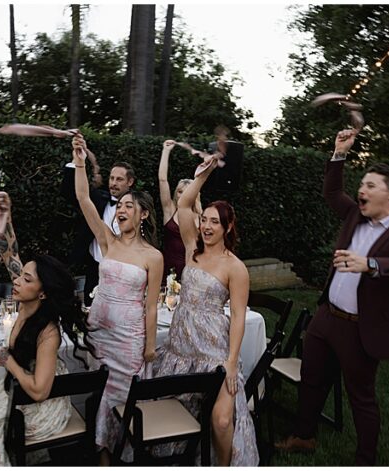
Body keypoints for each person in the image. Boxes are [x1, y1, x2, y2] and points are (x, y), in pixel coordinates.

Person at [275, 130, 389, 465]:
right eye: (362, 184)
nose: (361, 190)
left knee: (360, 397)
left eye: (370, 186)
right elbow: (332, 191)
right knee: (311, 379)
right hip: (327, 317)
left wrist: (370, 264)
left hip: (362, 329)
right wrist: (339, 153)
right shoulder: (355, 215)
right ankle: (304, 436)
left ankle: (365, 459)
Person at [0, 191, 98, 466]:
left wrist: (10, 363)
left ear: (42, 293)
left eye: (25, 278)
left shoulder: (48, 332)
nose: (17, 281)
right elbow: (10, 253)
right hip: (19, 390)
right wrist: (3, 215)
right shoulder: (26, 299)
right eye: (20, 275)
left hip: (43, 408)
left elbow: (40, 391)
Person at [150, 156, 258, 466]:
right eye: (205, 219)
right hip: (182, 347)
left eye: (215, 221)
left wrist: (232, 362)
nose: (207, 226)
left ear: (227, 227)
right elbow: (183, 206)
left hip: (213, 351)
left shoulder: (235, 268)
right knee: (176, 405)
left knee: (222, 421)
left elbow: (237, 316)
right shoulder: (190, 247)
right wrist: (204, 174)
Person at [72, 135, 163, 464]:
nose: (120, 209)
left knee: (123, 398)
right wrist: (80, 161)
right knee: (101, 394)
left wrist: (150, 347)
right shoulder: (107, 242)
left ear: (143, 216)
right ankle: (103, 456)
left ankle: (127, 453)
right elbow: (83, 198)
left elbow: (151, 305)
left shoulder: (153, 257)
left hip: (129, 339)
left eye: (128, 206)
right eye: (119, 205)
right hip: (100, 334)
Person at [61, 148, 136, 302]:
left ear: (130, 182)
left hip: (127, 272)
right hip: (95, 270)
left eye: (119, 179)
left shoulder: (139, 208)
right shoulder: (98, 199)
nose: (113, 183)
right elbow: (70, 192)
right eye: (112, 178)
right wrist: (76, 161)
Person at [158, 140, 202, 280]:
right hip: (168, 272)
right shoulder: (170, 210)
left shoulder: (202, 217)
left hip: (193, 272)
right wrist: (166, 151)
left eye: (187, 191)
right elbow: (163, 180)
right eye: (179, 192)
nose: (183, 195)